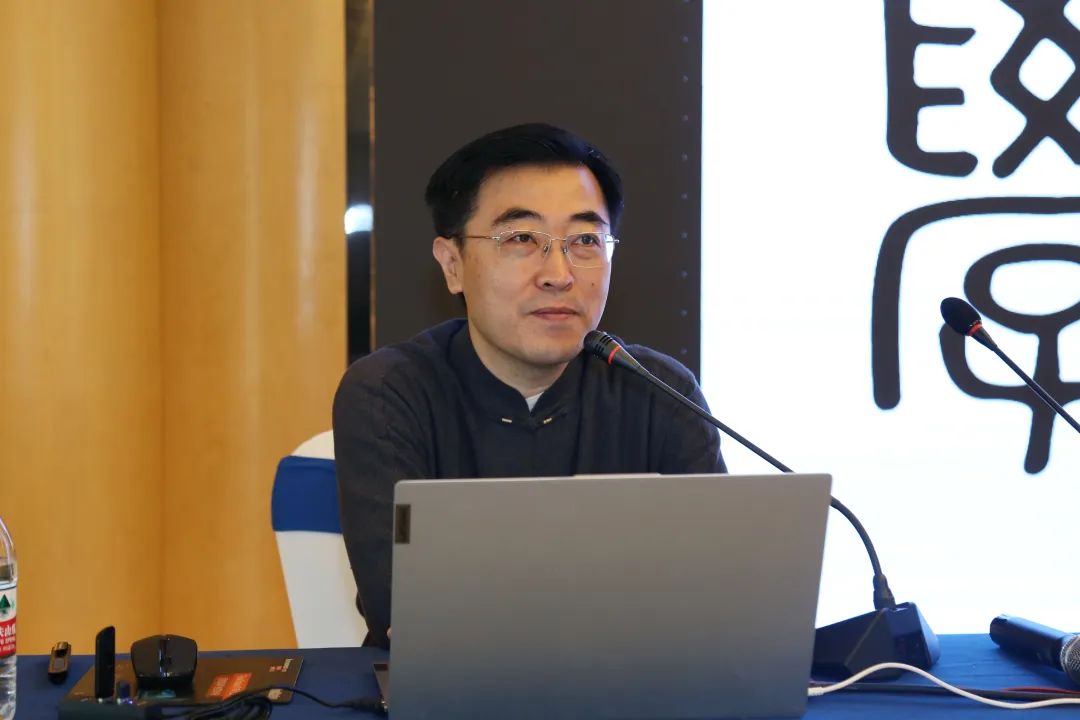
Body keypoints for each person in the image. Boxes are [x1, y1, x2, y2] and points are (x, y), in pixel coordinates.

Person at [333, 123, 726, 648]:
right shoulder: (389, 394)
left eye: (585, 240)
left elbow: (718, 597)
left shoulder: (660, 392)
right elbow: (402, 608)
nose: (559, 274)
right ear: (452, 264)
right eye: (522, 239)